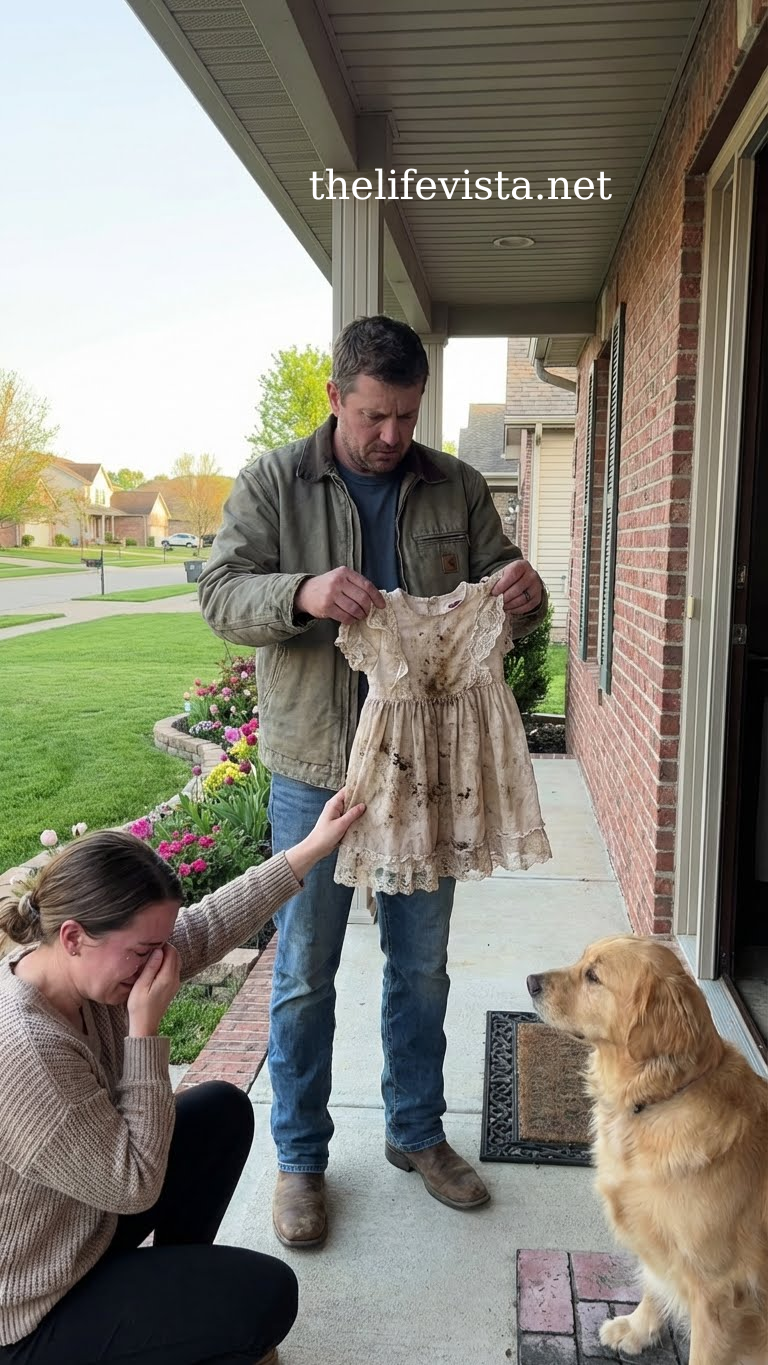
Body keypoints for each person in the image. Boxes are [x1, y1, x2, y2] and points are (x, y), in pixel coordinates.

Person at [198, 314, 548, 1250]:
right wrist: (301, 592)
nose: (391, 435)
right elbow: (219, 592)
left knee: (422, 967)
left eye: (405, 415)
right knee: (306, 973)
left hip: (427, 775)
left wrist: (523, 590)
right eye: (373, 416)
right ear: (334, 396)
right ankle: (301, 1158)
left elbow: (504, 585)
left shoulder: (459, 485)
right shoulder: (276, 480)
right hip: (316, 769)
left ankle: (416, 1132)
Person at [0, 791, 362, 1365]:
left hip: (79, 1229)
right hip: (32, 1310)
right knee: (267, 1296)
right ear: (73, 937)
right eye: (145, 951)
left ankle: (168, 1305)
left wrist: (310, 850)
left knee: (218, 1110)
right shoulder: (27, 1049)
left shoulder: (83, 970)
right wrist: (145, 1033)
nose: (160, 964)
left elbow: (207, 925)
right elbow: (134, 1184)